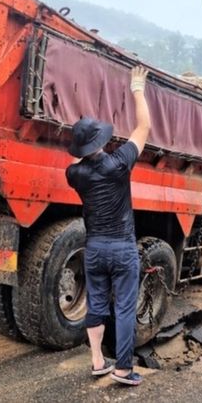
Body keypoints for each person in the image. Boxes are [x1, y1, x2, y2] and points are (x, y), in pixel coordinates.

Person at [65, 65, 151, 386]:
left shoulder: (75, 175)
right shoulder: (120, 163)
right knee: (125, 308)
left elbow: (77, 160)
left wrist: (81, 145)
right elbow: (144, 126)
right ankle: (123, 369)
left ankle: (98, 361)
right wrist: (137, 87)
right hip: (122, 248)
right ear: (102, 141)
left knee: (97, 304)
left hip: (95, 249)